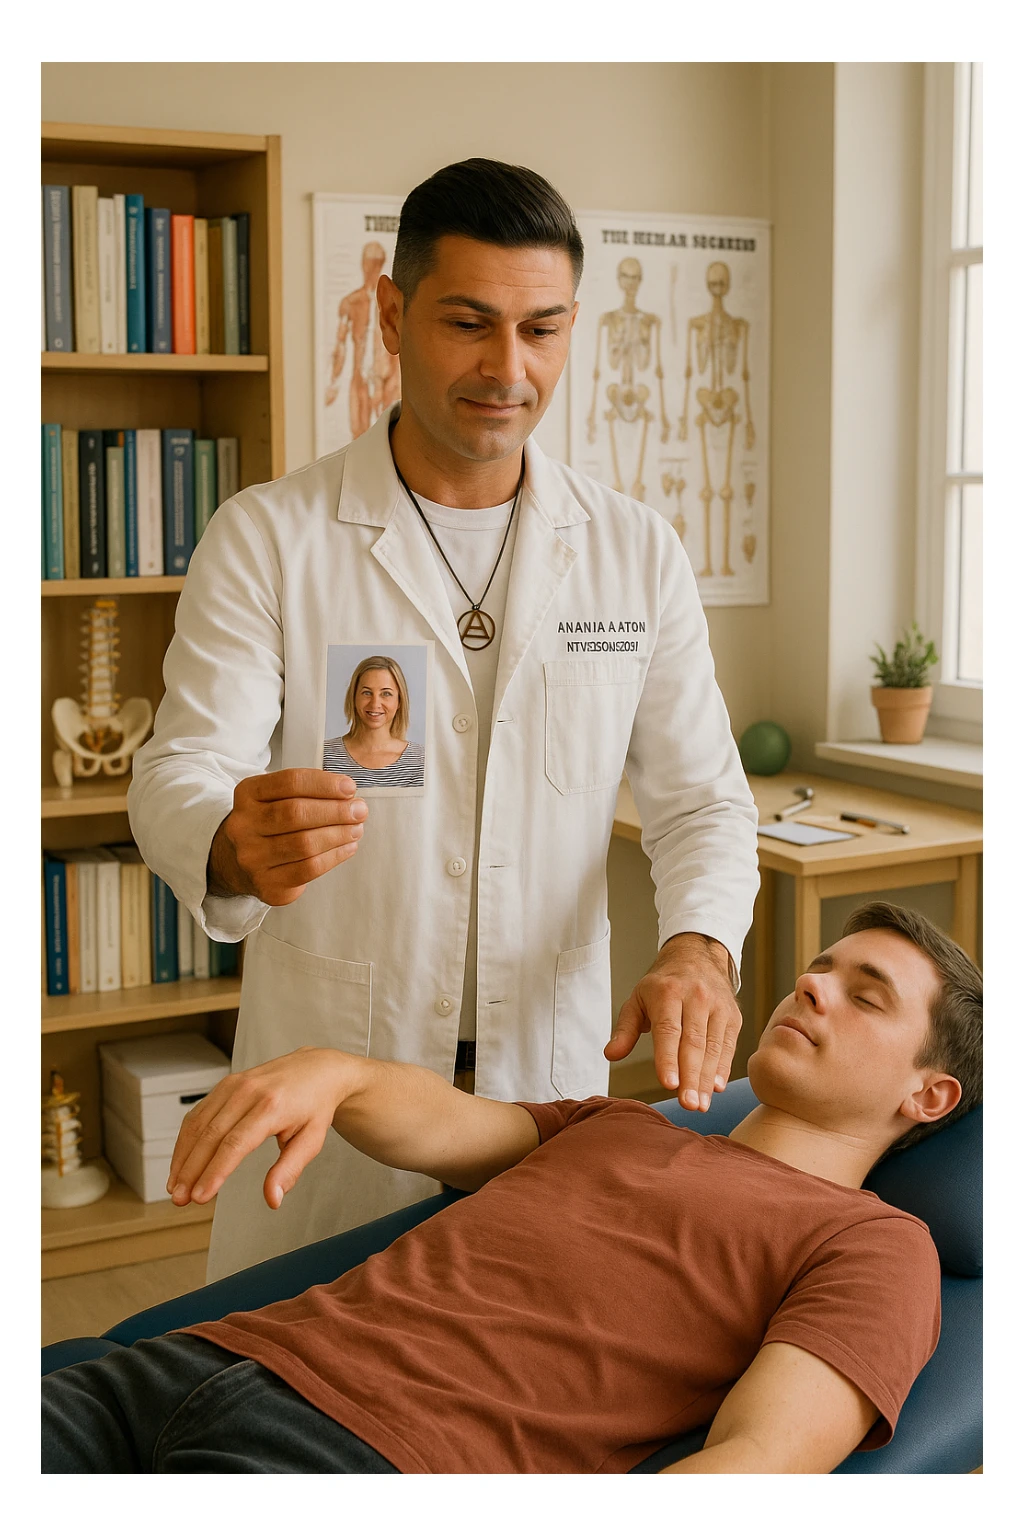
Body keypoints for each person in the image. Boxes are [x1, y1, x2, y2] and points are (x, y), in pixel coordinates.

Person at [127, 158, 760, 1281]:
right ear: (390, 315)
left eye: (542, 329)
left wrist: (699, 949)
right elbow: (180, 770)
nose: (507, 369)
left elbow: (701, 799)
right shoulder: (271, 536)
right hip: (338, 1092)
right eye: (469, 323)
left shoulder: (633, 552)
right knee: (298, 1390)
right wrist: (230, 837)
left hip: (540, 1090)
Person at [42, 903, 982, 1475]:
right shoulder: (619, 1124)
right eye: (821, 968)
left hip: (364, 1457)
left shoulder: (875, 1246)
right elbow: (446, 1124)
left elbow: (757, 1463)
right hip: (186, 1369)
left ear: (927, 1094)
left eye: (866, 995)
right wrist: (335, 1073)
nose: (812, 988)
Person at [322, 655, 425, 789]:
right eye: (366, 693)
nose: (375, 704)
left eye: (386, 694)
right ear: (353, 697)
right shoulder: (324, 754)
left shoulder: (421, 759)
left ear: (399, 701)